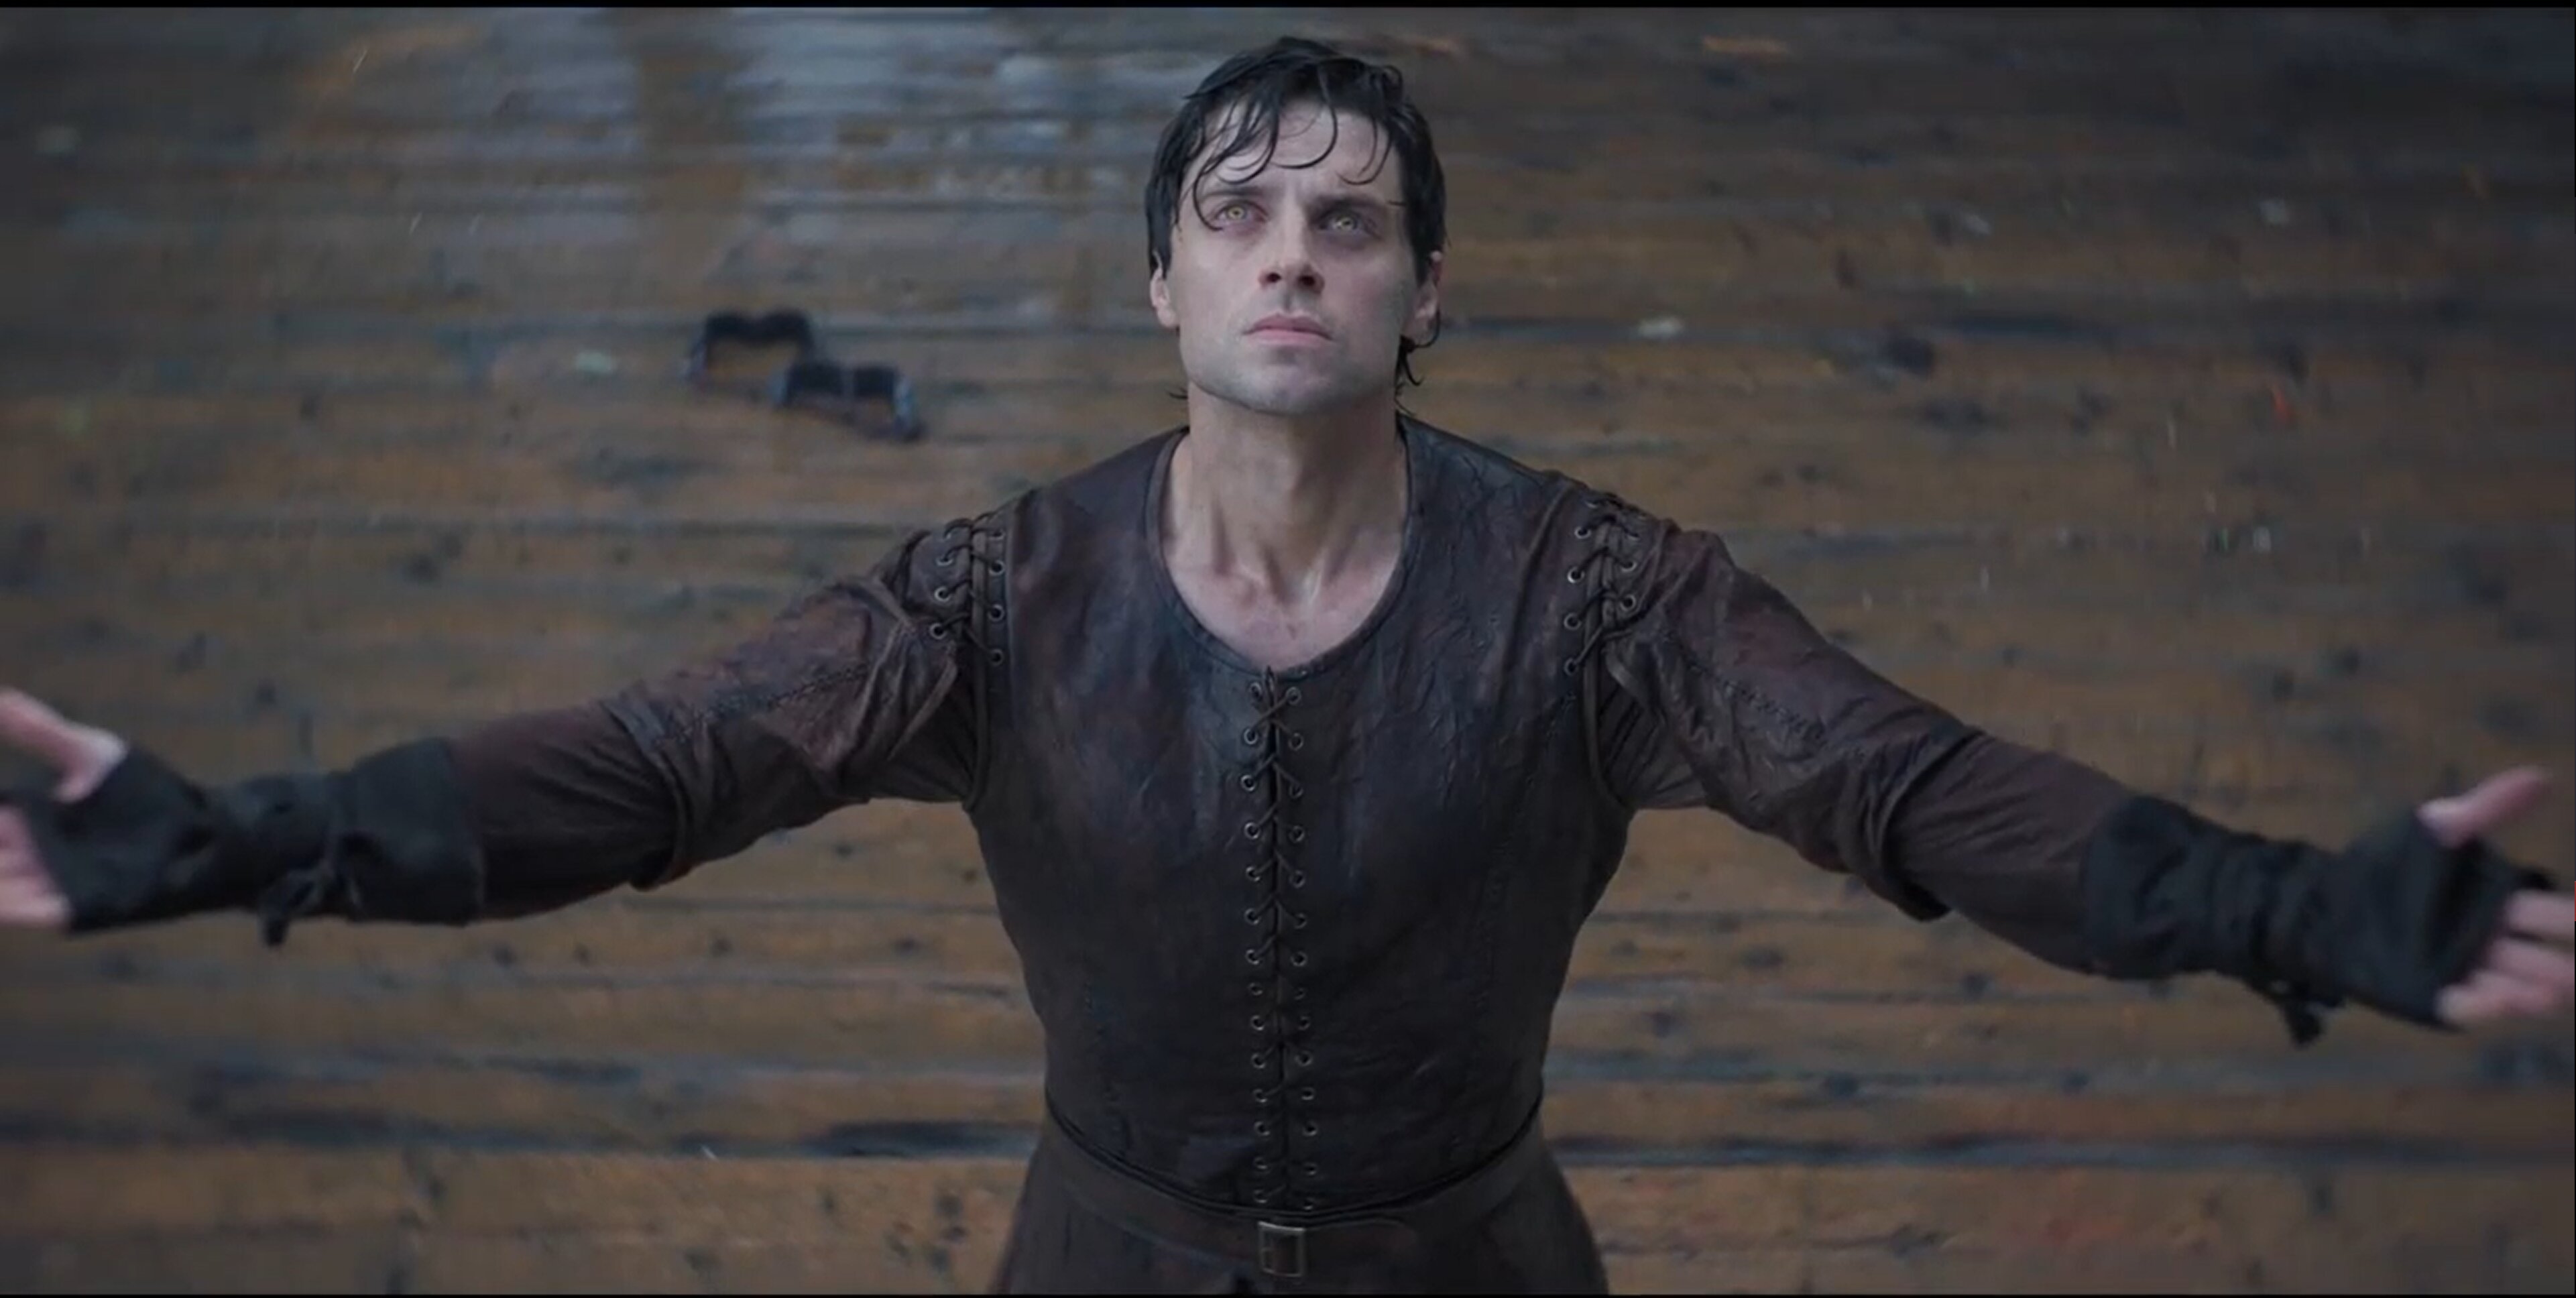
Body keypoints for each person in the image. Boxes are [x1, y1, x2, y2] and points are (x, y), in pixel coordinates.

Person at [3, 35, 2570, 1295]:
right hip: (1101, 1259)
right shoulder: (985, 603)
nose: (1291, 254)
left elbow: (1914, 789)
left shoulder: (1605, 604)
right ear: (1160, 282)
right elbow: (657, 768)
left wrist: (2287, 905)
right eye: (1239, 215)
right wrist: (226, 836)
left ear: (1422, 294)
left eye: (1348, 223)